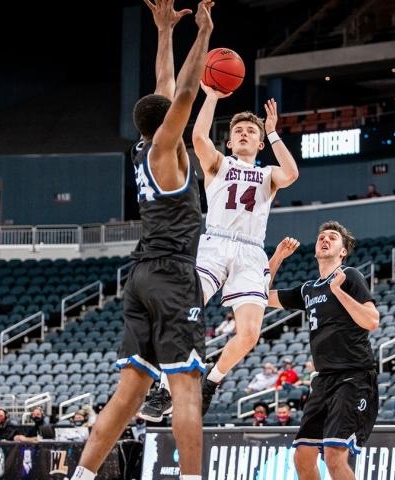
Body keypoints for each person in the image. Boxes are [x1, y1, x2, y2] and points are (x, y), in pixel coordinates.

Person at [74, 2, 214, 479]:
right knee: (186, 388)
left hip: (140, 276)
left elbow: (165, 88)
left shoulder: (142, 148)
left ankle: (81, 476)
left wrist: (164, 33)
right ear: (167, 123)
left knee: (128, 395)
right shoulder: (163, 151)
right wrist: (203, 33)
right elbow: (185, 92)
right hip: (172, 275)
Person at [138, 18, 301, 423]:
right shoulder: (218, 164)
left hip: (250, 252)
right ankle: (163, 388)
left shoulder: (268, 174)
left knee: (249, 333)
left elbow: (292, 173)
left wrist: (273, 133)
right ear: (229, 140)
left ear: (259, 142)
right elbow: (197, 139)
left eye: (251, 131)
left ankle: (211, 381)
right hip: (214, 242)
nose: (244, 133)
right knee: (184, 311)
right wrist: (210, 96)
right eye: (239, 130)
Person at [267, 221, 380, 480]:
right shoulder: (308, 289)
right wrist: (278, 257)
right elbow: (261, 295)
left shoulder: (350, 276)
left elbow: (372, 321)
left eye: (332, 237)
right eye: (321, 237)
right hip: (323, 380)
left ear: (343, 251)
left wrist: (338, 291)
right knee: (302, 456)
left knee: (333, 454)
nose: (325, 239)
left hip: (354, 376)